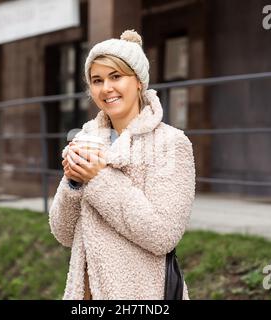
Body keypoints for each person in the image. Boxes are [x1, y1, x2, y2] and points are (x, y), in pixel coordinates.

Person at [49, 29, 195, 300]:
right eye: (97, 80)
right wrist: (73, 182)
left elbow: (162, 235)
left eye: (116, 76)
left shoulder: (171, 143)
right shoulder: (87, 140)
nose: (106, 88)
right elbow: (63, 233)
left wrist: (98, 179)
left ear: (138, 81)